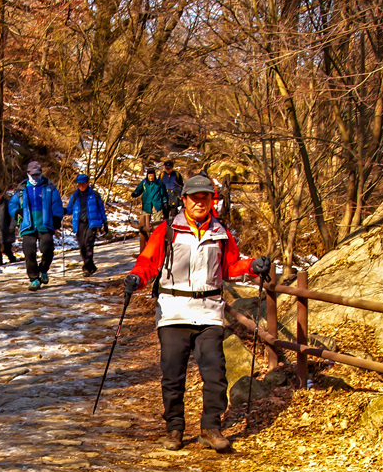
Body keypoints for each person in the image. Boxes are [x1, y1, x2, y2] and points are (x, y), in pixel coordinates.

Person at [122, 174, 271, 454]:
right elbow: (148, 262)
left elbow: (229, 266)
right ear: (184, 200)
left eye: (205, 197)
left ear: (211, 200)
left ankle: (210, 428)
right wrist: (136, 278)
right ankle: (174, 429)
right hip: (173, 311)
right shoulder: (167, 230)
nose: (200, 202)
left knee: (215, 373)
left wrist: (252, 266)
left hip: (209, 311)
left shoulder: (220, 232)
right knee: (173, 375)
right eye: (195, 198)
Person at [7, 160, 64, 291]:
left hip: (45, 223)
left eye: (37, 175)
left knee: (48, 248)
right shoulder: (21, 190)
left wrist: (56, 217)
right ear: (28, 174)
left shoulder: (50, 188)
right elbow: (12, 204)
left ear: (41, 173)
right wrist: (16, 211)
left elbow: (57, 203)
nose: (35, 178)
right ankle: (34, 279)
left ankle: (43, 269)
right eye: (33, 175)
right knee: (29, 252)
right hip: (28, 225)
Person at [64, 173, 107, 277]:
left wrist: (105, 223)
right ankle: (91, 266)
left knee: (88, 245)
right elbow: (69, 210)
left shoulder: (95, 195)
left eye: (83, 183)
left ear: (88, 183)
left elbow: (101, 209)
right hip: (79, 224)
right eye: (79, 184)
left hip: (91, 223)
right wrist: (63, 210)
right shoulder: (74, 196)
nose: (81, 186)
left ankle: (86, 268)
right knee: (82, 247)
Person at [130, 167, 166, 250]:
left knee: (157, 223)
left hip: (156, 204)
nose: (151, 177)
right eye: (149, 176)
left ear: (154, 175)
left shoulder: (159, 183)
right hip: (146, 205)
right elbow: (139, 190)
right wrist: (135, 193)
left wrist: (164, 202)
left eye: (152, 176)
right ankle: (145, 241)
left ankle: (157, 241)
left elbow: (163, 193)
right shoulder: (144, 182)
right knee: (145, 223)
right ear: (147, 175)